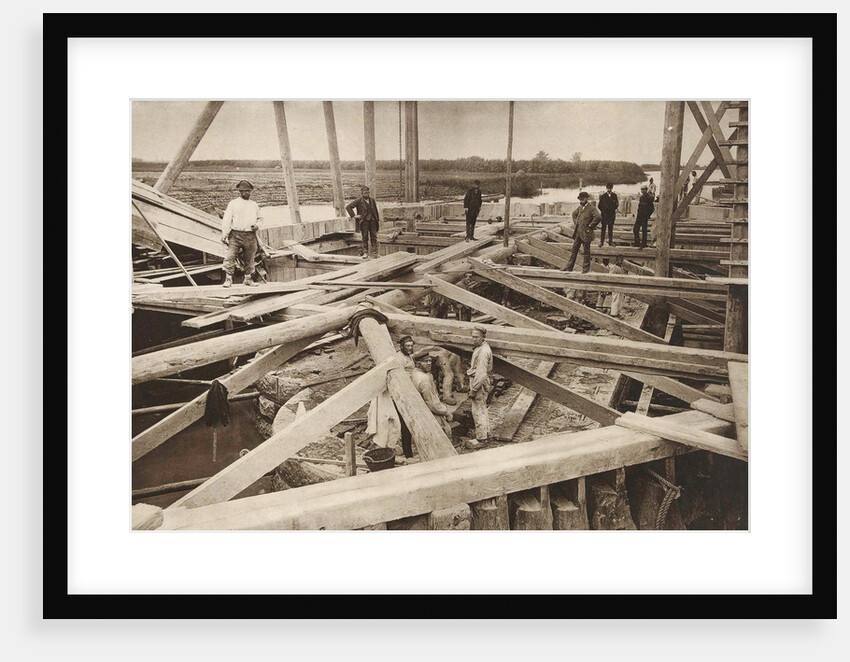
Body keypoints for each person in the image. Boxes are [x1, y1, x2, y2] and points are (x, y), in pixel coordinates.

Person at [221, 180, 262, 288]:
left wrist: (257, 225)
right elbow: (227, 219)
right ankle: (228, 279)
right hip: (235, 235)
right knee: (230, 256)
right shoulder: (233, 204)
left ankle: (248, 279)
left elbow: (260, 219)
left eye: (248, 191)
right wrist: (224, 234)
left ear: (251, 191)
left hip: (250, 236)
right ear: (240, 192)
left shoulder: (254, 205)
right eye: (243, 191)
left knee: (250, 259)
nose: (246, 193)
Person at [466, 326, 493, 449]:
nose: (474, 339)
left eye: (476, 337)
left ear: (483, 337)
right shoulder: (481, 347)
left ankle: (481, 439)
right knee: (482, 408)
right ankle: (486, 433)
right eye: (473, 337)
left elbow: (481, 374)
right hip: (479, 382)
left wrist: (474, 389)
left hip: (479, 384)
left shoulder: (483, 352)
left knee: (478, 411)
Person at [562, 191, 601, 274]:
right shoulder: (580, 207)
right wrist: (576, 223)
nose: (581, 200)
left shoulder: (591, 208)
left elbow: (598, 217)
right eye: (580, 199)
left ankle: (585, 269)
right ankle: (569, 267)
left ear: (586, 198)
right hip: (578, 233)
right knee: (574, 250)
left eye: (583, 199)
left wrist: (590, 226)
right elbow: (574, 214)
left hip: (586, 233)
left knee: (586, 251)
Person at [345, 185, 381, 259]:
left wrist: (377, 219)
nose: (366, 194)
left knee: (374, 237)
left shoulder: (372, 200)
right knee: (365, 237)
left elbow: (375, 211)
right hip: (364, 222)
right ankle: (365, 253)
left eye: (367, 193)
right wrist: (354, 216)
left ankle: (375, 253)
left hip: (373, 221)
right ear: (362, 193)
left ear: (369, 192)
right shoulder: (359, 201)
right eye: (364, 193)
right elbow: (348, 207)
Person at [597, 182, 619, 247]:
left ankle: (610, 242)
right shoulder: (603, 196)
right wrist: (604, 211)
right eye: (608, 188)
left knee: (610, 229)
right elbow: (599, 206)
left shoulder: (614, 195)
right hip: (604, 215)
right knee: (603, 229)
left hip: (611, 215)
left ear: (612, 188)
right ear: (606, 188)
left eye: (610, 188)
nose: (609, 189)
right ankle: (601, 242)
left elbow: (616, 204)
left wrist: (612, 209)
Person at [634, 184, 655, 249]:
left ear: (646, 190)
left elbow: (652, 209)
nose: (642, 191)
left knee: (644, 231)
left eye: (643, 189)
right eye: (641, 189)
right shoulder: (641, 197)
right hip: (639, 216)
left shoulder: (649, 198)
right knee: (635, 229)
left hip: (644, 217)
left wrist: (647, 215)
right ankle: (637, 243)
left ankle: (643, 244)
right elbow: (639, 207)